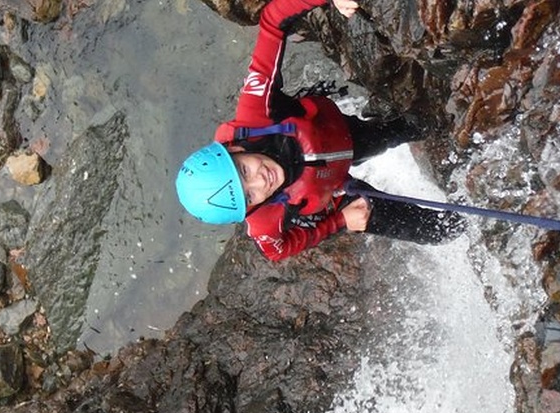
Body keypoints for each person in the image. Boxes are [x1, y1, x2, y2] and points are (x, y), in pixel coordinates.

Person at [175, 0, 465, 261]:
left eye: (244, 172)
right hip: (335, 194)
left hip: (335, 135)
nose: (261, 182)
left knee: (410, 127)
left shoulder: (255, 112)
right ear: (250, 209)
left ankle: (439, 125)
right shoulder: (263, 222)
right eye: (249, 196)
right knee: (434, 231)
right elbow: (279, 250)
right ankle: (474, 223)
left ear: (235, 150)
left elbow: (273, 20)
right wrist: (339, 222)